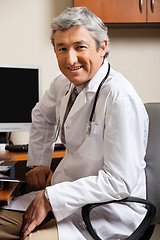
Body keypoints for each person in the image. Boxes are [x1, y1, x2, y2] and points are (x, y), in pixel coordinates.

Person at [0, 7, 149, 240]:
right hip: (69, 198)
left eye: (80, 47)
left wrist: (51, 197)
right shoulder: (64, 83)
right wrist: (40, 162)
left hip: (106, 212)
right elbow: (42, 115)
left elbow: (120, 182)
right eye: (62, 49)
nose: (70, 59)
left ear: (102, 47)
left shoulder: (120, 98)